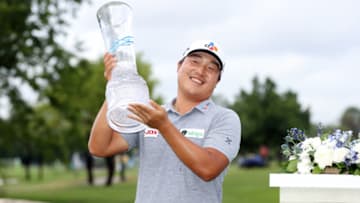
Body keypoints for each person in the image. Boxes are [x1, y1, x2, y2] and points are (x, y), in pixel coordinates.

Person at [88, 40, 241, 203]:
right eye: (194, 61)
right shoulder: (150, 114)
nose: (201, 70)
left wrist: (164, 126)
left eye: (211, 68)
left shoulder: (225, 118)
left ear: (217, 80)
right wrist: (114, 86)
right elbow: (99, 147)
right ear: (178, 66)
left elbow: (208, 168)